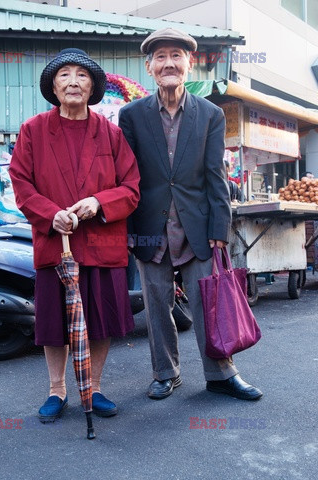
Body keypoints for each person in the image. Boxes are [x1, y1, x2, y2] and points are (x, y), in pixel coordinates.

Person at [119, 28, 262, 401]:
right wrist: (130, 232)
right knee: (157, 305)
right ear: (150, 67)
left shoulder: (210, 114)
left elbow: (215, 175)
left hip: (198, 226)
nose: (169, 63)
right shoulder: (131, 115)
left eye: (176, 56)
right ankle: (165, 373)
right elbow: (128, 178)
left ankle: (221, 373)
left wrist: (221, 226)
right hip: (150, 227)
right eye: (161, 57)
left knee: (208, 303)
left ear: (190, 63)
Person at [9, 48, 140, 421]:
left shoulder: (111, 134)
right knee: (54, 322)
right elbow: (21, 182)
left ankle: (94, 387)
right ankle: (57, 389)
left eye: (82, 76)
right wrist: (51, 215)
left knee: (100, 318)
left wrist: (99, 202)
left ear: (93, 87)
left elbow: (132, 187)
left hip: (101, 241)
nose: (73, 81)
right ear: (53, 86)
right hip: (56, 242)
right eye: (64, 74)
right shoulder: (33, 130)